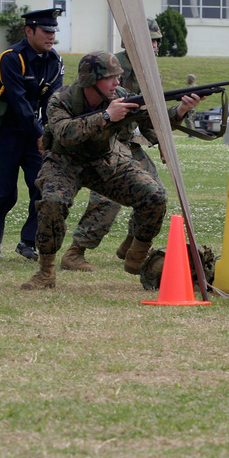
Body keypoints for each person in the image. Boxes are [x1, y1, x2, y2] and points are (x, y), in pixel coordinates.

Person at [20, 50, 202, 290]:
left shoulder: (121, 96)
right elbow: (65, 133)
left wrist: (180, 110)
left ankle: (136, 255)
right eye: (111, 77)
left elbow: (151, 120)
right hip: (64, 163)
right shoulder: (61, 99)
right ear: (90, 81)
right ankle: (46, 272)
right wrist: (106, 116)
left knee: (154, 196)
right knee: (52, 202)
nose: (117, 81)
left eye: (118, 77)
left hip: (105, 160)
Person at [60, 18, 163, 272]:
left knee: (154, 193)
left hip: (130, 141)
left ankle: (132, 245)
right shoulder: (112, 67)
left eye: (157, 40)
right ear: (131, 43)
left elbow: (147, 112)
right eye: (149, 40)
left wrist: (160, 139)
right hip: (106, 141)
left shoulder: (151, 71)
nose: (154, 45)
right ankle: (76, 252)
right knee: (106, 198)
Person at [0, 8, 64, 261]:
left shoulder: (55, 61)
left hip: (33, 130)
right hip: (3, 130)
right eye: (45, 31)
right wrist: (40, 133)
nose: (51, 36)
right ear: (29, 31)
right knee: (4, 191)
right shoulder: (11, 58)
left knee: (42, 184)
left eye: (53, 32)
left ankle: (28, 242)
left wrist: (49, 134)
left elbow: (53, 101)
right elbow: (18, 101)